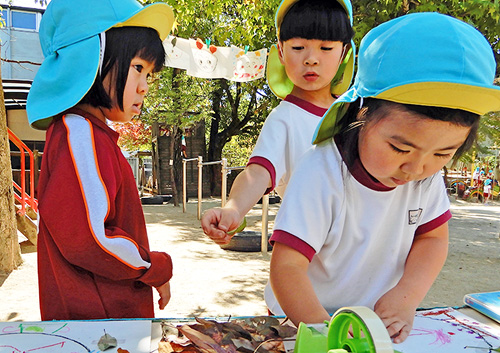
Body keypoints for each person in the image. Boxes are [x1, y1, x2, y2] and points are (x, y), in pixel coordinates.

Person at [266, 12, 500, 343]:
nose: (416, 169)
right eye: (399, 148)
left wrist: (406, 298)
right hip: (302, 321)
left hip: (372, 326)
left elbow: (432, 239)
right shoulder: (321, 171)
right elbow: (287, 267)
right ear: (362, 112)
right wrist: (326, 332)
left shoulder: (425, 177)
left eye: (442, 153)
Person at [26, 0, 175, 320]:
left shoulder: (87, 134)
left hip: (100, 319)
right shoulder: (79, 133)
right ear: (91, 60)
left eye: (149, 74)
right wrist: (154, 266)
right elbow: (90, 238)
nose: (145, 86)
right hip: (99, 323)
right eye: (138, 68)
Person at [201, 0, 355, 242]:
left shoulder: (357, 113)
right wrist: (233, 209)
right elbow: (259, 172)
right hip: (307, 254)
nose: (311, 59)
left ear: (344, 53)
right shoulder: (285, 119)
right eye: (298, 47)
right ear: (281, 52)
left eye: (326, 48)